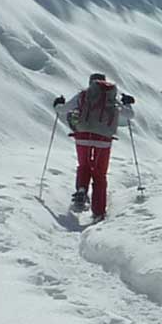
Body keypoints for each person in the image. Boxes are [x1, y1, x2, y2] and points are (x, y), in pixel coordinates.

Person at [53, 73, 135, 220]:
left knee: (84, 166)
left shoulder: (83, 95)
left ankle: (82, 189)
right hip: (103, 140)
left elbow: (62, 109)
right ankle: (98, 212)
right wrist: (127, 103)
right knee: (99, 174)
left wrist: (58, 104)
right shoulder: (111, 97)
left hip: (83, 137)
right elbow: (129, 115)